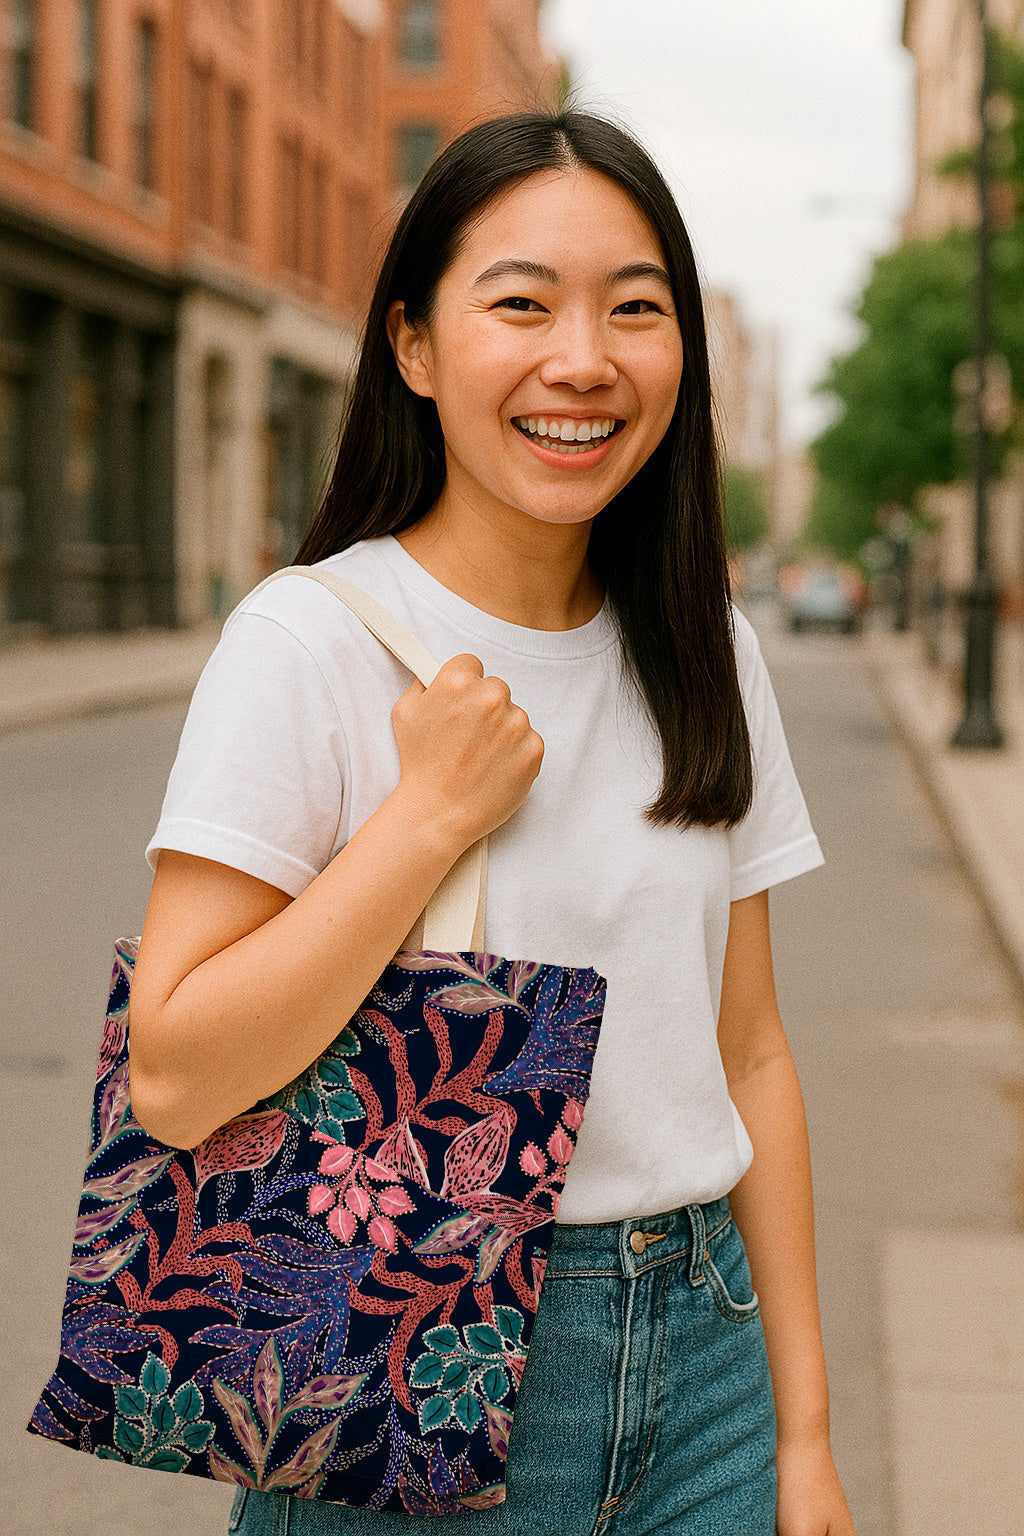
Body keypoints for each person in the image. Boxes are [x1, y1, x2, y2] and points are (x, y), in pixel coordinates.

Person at [128, 111, 855, 1536]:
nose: (581, 360)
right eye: (520, 303)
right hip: (416, 1340)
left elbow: (751, 1050)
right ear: (413, 345)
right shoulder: (312, 641)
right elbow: (175, 1071)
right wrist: (423, 821)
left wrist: (805, 1434)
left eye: (634, 311)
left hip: (704, 1356)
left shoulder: (705, 644)